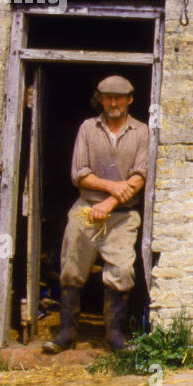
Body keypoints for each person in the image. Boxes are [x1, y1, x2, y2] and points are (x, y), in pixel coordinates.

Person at [43, 75, 149, 354]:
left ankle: (114, 335)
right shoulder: (88, 128)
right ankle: (67, 333)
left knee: (123, 270)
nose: (113, 102)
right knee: (71, 268)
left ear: (130, 99)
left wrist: (110, 203)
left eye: (119, 97)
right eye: (107, 97)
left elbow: (140, 176)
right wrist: (112, 187)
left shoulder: (142, 132)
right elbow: (80, 174)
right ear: (100, 99)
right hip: (86, 209)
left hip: (123, 214)